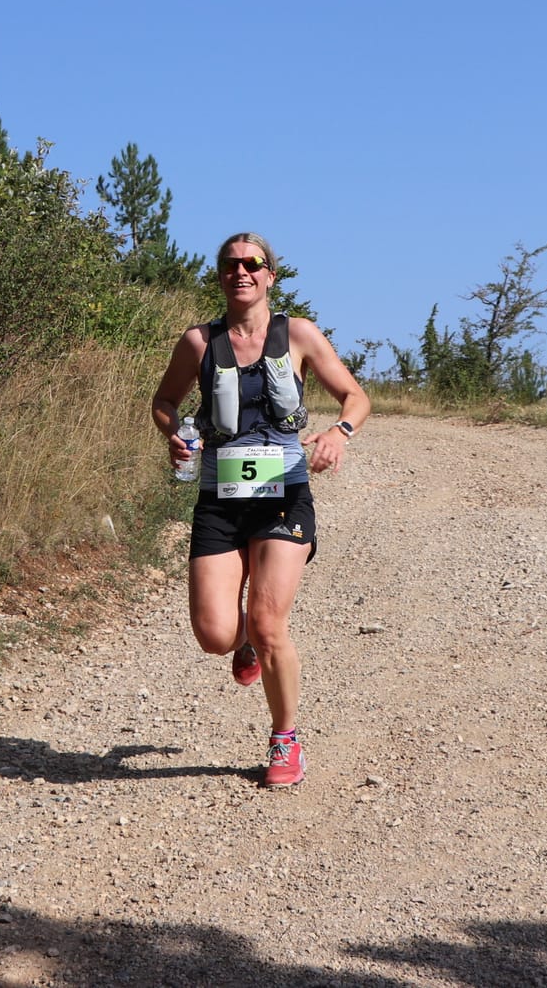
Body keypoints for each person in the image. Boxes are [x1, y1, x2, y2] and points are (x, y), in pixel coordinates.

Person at [151, 232, 370, 787]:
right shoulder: (199, 342)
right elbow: (164, 401)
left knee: (271, 622)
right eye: (231, 265)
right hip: (220, 500)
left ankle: (285, 740)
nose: (241, 272)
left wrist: (339, 433)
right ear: (220, 275)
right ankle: (242, 639)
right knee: (215, 635)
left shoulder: (297, 335)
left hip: (283, 498)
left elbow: (356, 397)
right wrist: (174, 433)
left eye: (253, 264)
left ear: (270, 274)